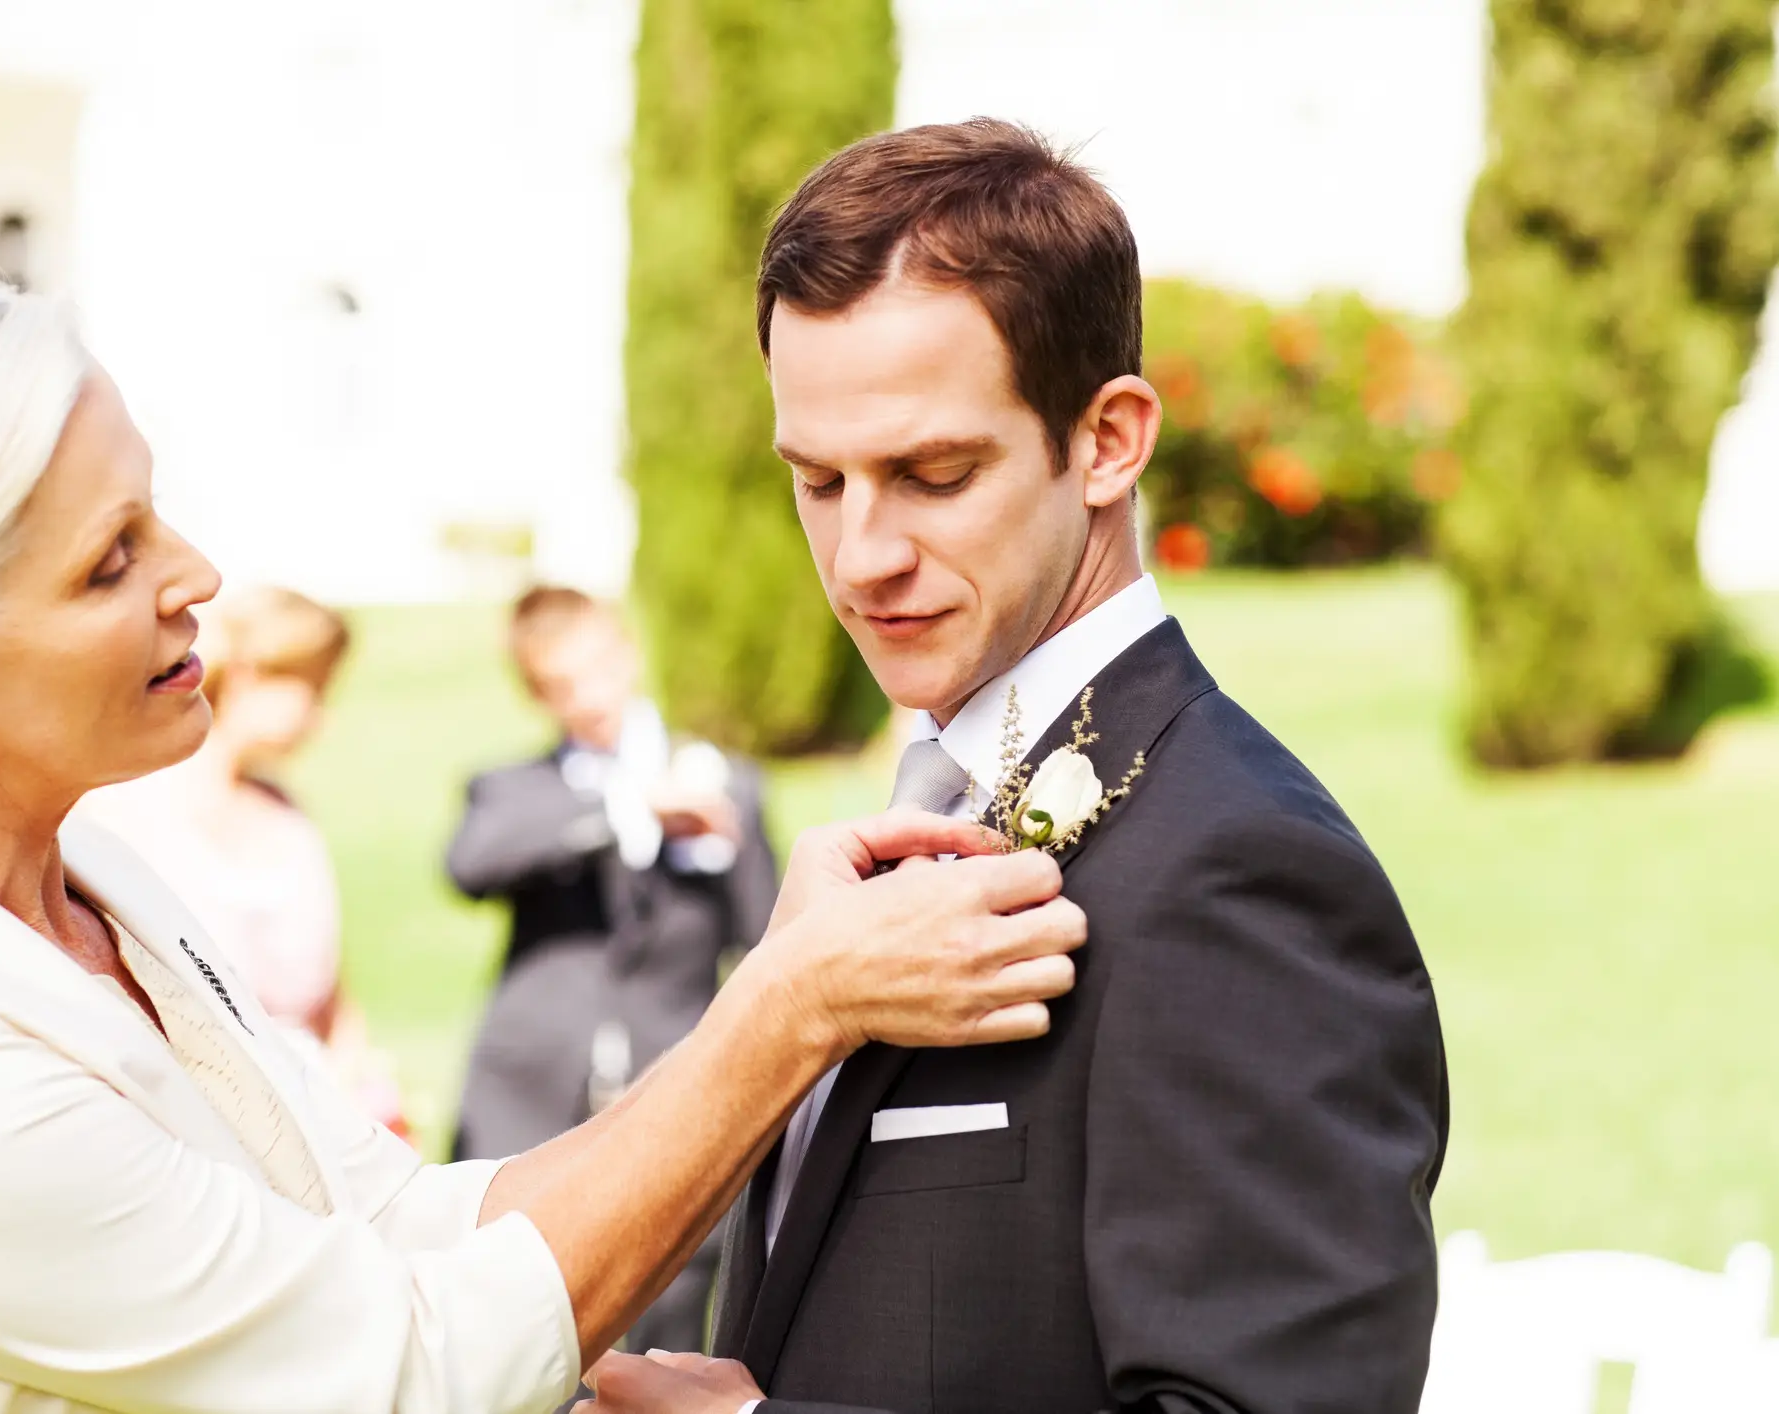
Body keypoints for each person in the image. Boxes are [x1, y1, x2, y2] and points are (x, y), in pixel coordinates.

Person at [0, 271, 1089, 1414]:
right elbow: (413, 1372)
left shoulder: (89, 888)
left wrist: (780, 972)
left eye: (153, 513)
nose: (195, 575)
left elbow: (398, 1222)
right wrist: (793, 1013)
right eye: (109, 560)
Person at [582, 120, 1450, 1414]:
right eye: (817, 481)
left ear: (1108, 440)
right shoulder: (918, 816)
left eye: (932, 474)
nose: (861, 555)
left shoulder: (1238, 872)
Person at [447, 585, 779, 1356]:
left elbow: (764, 937)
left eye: (598, 671)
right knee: (519, 1329)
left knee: (673, 1318)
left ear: (627, 654)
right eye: (561, 685)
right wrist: (630, 811)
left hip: (671, 1084)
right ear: (535, 693)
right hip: (530, 1101)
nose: (589, 699)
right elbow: (471, 864)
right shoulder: (511, 792)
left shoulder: (723, 781)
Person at [80, 584, 408, 1137]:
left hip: (318, 1108)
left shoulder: (286, 814)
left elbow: (333, 995)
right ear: (251, 675)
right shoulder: (126, 813)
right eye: (312, 689)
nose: (321, 717)